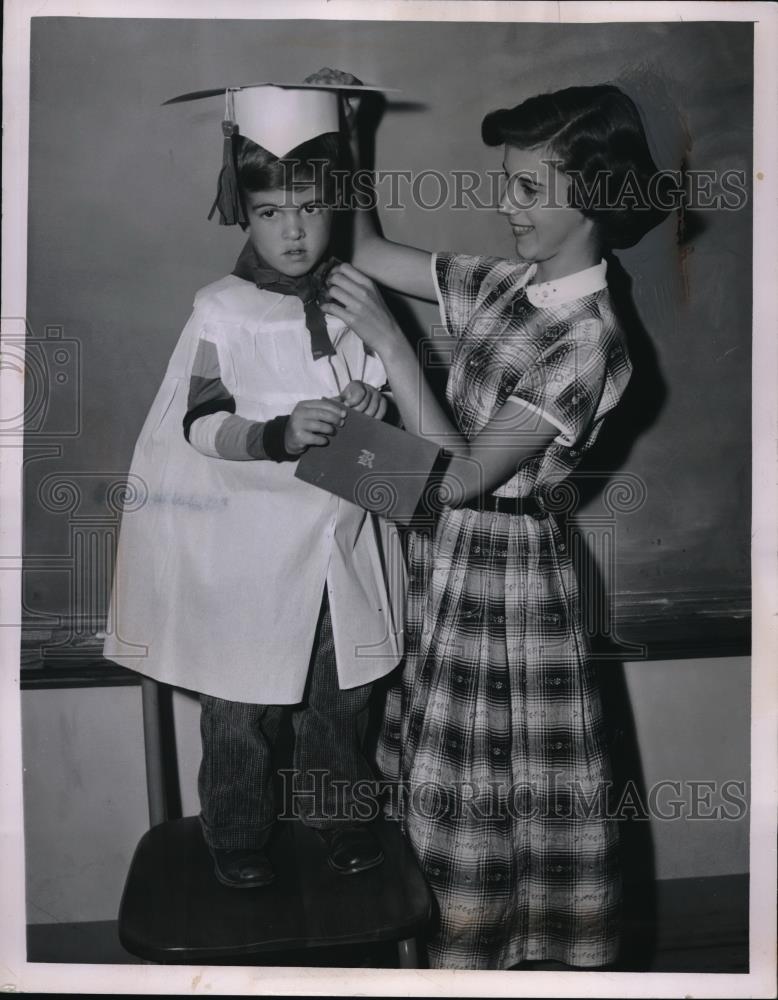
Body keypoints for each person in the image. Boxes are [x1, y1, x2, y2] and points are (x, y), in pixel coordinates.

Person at [321, 84, 672, 968]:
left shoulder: (589, 340)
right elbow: (364, 248)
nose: (502, 205)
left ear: (591, 196)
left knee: (481, 798)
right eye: (504, 183)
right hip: (448, 564)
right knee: (439, 784)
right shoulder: (508, 282)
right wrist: (351, 132)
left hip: (507, 589)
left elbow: (468, 473)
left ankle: (481, 966)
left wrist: (398, 352)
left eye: (526, 189)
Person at [103, 80, 404, 888]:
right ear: (246, 213)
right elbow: (198, 422)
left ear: (335, 207)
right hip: (247, 554)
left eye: (309, 206)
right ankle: (236, 836)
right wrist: (274, 435)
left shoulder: (353, 303)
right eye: (273, 212)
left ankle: (339, 818)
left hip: (334, 543)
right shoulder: (220, 311)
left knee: (341, 703)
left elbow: (386, 405)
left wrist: (372, 403)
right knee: (243, 709)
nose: (294, 228)